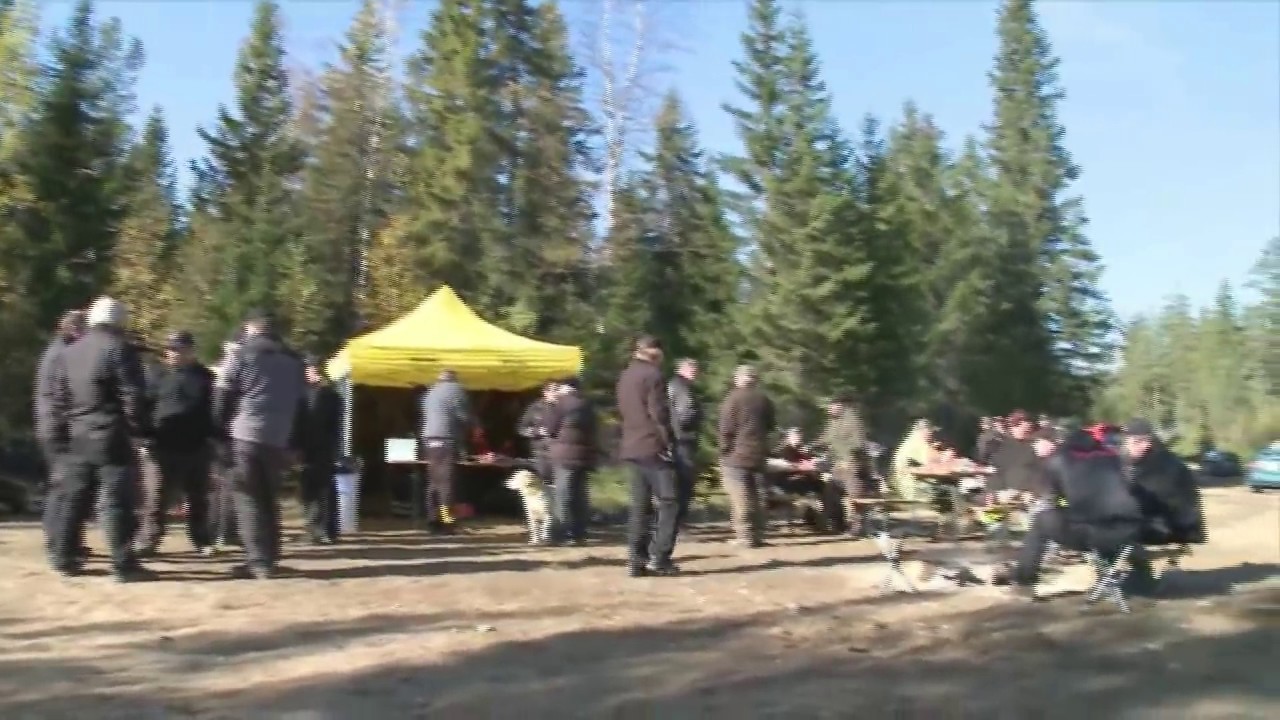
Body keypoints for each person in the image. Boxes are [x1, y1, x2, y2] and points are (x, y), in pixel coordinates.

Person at [46, 297, 153, 581]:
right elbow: (132, 395)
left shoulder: (69, 353)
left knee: (75, 499)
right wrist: (137, 430)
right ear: (120, 321)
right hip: (111, 433)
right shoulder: (121, 350)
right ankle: (122, 564)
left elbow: (58, 398)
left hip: (77, 434)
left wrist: (62, 433)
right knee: (117, 501)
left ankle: (64, 557)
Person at [995, 429, 1145, 596]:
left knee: (1042, 520)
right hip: (1127, 533)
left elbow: (1049, 500)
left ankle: (1023, 579)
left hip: (1092, 534)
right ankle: (1143, 575)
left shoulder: (1058, 460)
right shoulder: (1115, 458)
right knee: (1110, 514)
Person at [213, 311, 307, 579]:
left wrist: (220, 436)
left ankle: (258, 562)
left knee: (248, 499)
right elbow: (302, 407)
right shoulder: (293, 362)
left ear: (250, 329)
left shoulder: (240, 356)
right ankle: (271, 556)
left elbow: (222, 398)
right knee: (269, 498)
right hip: (278, 439)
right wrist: (296, 442)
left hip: (245, 435)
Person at [136, 331, 217, 557]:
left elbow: (214, 410)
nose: (172, 353)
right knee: (156, 497)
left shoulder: (204, 377)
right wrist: (143, 436)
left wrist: (214, 437)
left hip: (197, 445)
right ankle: (148, 540)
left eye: (178, 349)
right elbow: (144, 406)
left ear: (190, 351)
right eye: (170, 349)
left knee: (198, 497)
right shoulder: (156, 374)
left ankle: (202, 540)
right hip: (161, 445)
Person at [615, 335, 679, 577]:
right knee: (669, 502)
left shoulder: (625, 376)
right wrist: (668, 443)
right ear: (653, 352)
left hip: (631, 445)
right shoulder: (653, 376)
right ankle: (660, 556)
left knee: (639, 506)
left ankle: (635, 559)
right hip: (653, 446)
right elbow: (658, 414)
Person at [33, 310, 86, 542]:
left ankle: (59, 537)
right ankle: (58, 538)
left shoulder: (55, 352)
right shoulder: (63, 355)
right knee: (64, 485)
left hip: (52, 426)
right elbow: (63, 395)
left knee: (61, 483)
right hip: (59, 428)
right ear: (75, 330)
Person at [717, 365, 776, 547]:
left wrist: (724, 449)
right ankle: (758, 533)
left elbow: (726, 428)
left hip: (736, 455)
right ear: (755, 380)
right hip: (758, 454)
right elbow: (771, 426)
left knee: (740, 497)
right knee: (757, 496)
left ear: (737, 379)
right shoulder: (764, 400)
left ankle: (744, 535)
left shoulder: (732, 399)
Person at [1122, 418, 1206, 546]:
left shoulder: (1164, 464)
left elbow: (1155, 498)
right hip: (1146, 520)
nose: (1144, 445)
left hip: (1170, 525)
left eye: (1146, 440)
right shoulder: (1129, 460)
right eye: (1135, 442)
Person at [545, 377, 597, 545]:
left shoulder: (561, 404)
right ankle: (579, 532)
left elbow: (550, 428)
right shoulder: (587, 404)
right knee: (579, 495)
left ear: (564, 388)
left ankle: (560, 533)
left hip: (564, 455)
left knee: (562, 495)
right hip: (584, 455)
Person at [418, 369, 471, 532]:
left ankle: (432, 520)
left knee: (433, 482)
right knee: (446, 483)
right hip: (447, 438)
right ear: (454, 379)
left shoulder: (430, 393)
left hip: (429, 439)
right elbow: (463, 416)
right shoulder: (457, 391)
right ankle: (447, 522)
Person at [298, 355, 342, 545]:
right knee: (320, 489)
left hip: (316, 449)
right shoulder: (331, 394)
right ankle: (325, 529)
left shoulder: (318, 395)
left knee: (316, 490)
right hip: (323, 448)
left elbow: (313, 424)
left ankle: (319, 529)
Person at [818, 395, 872, 536]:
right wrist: (812, 446)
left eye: (833, 405)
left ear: (841, 406)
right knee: (829, 491)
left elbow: (859, 443)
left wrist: (849, 458)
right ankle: (837, 523)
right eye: (829, 406)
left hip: (853, 464)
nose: (829, 408)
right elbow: (825, 438)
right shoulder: (833, 422)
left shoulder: (852, 421)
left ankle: (857, 527)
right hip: (838, 464)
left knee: (854, 494)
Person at [667, 358, 703, 532]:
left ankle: (677, 520)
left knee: (680, 481)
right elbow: (686, 412)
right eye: (694, 369)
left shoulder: (675, 385)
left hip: (677, 437)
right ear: (685, 369)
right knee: (684, 481)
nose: (697, 373)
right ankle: (678, 521)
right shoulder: (682, 387)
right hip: (683, 439)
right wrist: (696, 418)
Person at [987, 410, 1045, 500]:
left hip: (1029, 495)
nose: (1029, 429)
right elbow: (997, 472)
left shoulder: (1036, 447)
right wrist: (995, 493)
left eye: (1029, 429)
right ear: (1014, 426)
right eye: (1025, 426)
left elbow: (1041, 474)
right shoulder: (1000, 446)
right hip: (1007, 495)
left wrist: (1033, 492)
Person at [518, 382, 559, 484]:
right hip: (541, 451)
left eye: (557, 390)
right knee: (545, 480)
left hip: (560, 451)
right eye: (553, 390)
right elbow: (521, 429)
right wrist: (537, 431)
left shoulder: (564, 408)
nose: (556, 393)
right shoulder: (535, 408)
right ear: (545, 392)